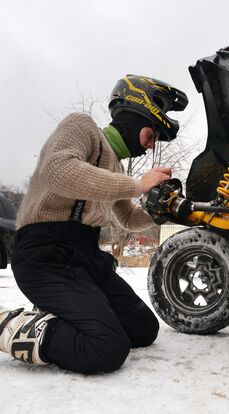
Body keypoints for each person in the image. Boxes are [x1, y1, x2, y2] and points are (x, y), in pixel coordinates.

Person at [0, 75, 188, 373]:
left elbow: (126, 218)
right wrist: (138, 184)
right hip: (44, 255)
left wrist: (163, 210)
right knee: (106, 347)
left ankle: (61, 311)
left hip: (85, 257)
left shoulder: (116, 167)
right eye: (151, 135)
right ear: (134, 117)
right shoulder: (81, 126)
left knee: (143, 329)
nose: (151, 147)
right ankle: (8, 325)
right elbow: (57, 171)